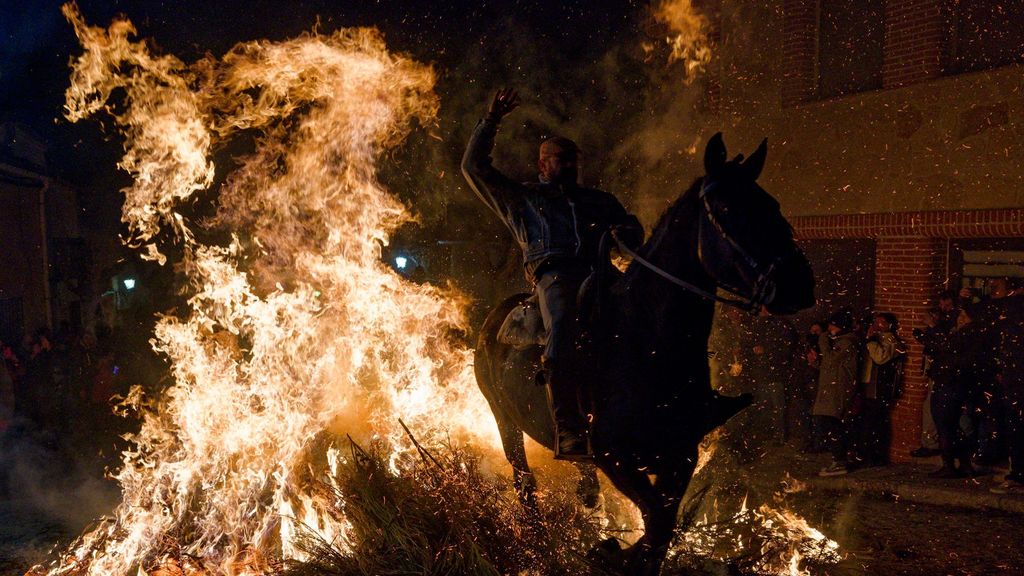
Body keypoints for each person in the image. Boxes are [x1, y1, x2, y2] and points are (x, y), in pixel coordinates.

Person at [462, 88, 644, 460]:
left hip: (600, 273)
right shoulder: (524, 200)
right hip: (554, 277)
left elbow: (631, 233)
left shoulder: (599, 201)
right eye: (562, 160)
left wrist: (627, 233)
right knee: (562, 322)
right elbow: (474, 168)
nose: (571, 167)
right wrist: (491, 121)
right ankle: (569, 426)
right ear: (543, 165)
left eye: (575, 161)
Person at [812, 308, 861, 476]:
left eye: (833, 325)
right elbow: (829, 366)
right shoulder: (839, 343)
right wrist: (815, 362)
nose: (830, 329)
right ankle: (838, 458)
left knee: (832, 424)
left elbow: (832, 359)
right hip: (829, 390)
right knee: (827, 423)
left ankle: (840, 461)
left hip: (838, 391)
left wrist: (822, 340)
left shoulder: (847, 343)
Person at [854, 312, 906, 467]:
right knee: (866, 422)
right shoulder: (875, 338)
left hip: (880, 389)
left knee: (876, 423)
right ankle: (865, 455)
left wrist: (870, 341)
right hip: (868, 388)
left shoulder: (891, 340)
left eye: (881, 322)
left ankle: (875, 456)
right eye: (875, 322)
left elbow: (880, 358)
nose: (876, 325)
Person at [992, 291, 1024, 493]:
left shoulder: (1015, 331)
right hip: (1013, 388)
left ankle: (1018, 477)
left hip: (1017, 390)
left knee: (1018, 432)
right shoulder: (1011, 331)